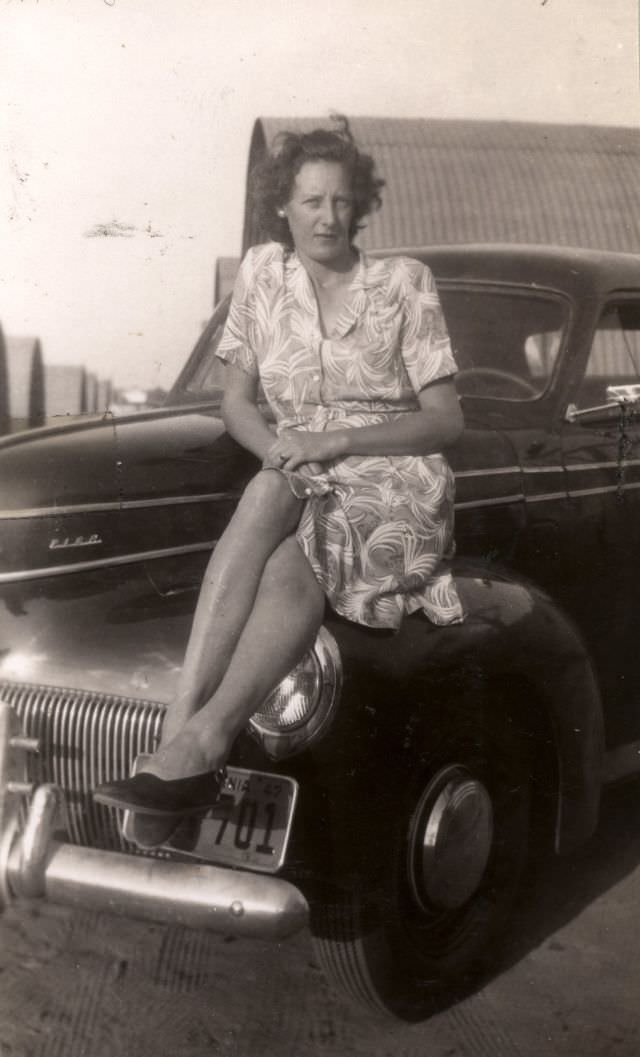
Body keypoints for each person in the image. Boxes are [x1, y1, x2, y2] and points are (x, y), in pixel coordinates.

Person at [94, 116, 465, 846]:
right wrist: (282, 450)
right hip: (301, 466)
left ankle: (196, 740)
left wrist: (339, 438)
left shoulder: (403, 283)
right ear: (281, 208)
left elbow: (447, 420)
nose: (328, 216)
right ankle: (187, 732)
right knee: (265, 488)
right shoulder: (263, 274)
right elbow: (235, 402)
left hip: (394, 482)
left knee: (291, 558)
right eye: (310, 202)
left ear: (359, 204)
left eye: (340, 200)